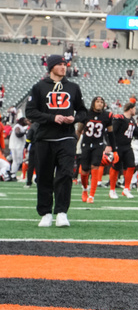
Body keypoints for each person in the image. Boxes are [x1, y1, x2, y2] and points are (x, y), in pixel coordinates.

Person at [25, 55, 87, 227]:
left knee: (65, 174)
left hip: (67, 137)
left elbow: (83, 112)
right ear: (51, 67)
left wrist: (73, 119)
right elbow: (30, 112)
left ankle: (61, 212)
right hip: (44, 137)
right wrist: (53, 118)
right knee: (44, 176)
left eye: (64, 64)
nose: (63, 67)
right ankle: (45, 213)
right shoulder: (39, 87)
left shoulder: (73, 87)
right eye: (59, 64)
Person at [77, 96, 114, 202]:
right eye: (97, 102)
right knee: (84, 171)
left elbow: (110, 133)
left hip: (98, 145)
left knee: (95, 168)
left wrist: (111, 146)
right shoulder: (86, 114)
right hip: (86, 145)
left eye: (101, 102)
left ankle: (91, 196)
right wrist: (74, 142)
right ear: (93, 103)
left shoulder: (107, 116)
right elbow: (79, 130)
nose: (99, 104)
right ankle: (85, 189)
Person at [108, 102, 138, 199]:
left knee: (131, 166)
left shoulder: (132, 120)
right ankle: (112, 190)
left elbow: (136, 132)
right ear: (130, 109)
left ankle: (126, 189)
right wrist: (111, 146)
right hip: (118, 146)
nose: (135, 110)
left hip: (127, 146)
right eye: (134, 108)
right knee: (116, 167)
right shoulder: (119, 118)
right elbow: (112, 132)